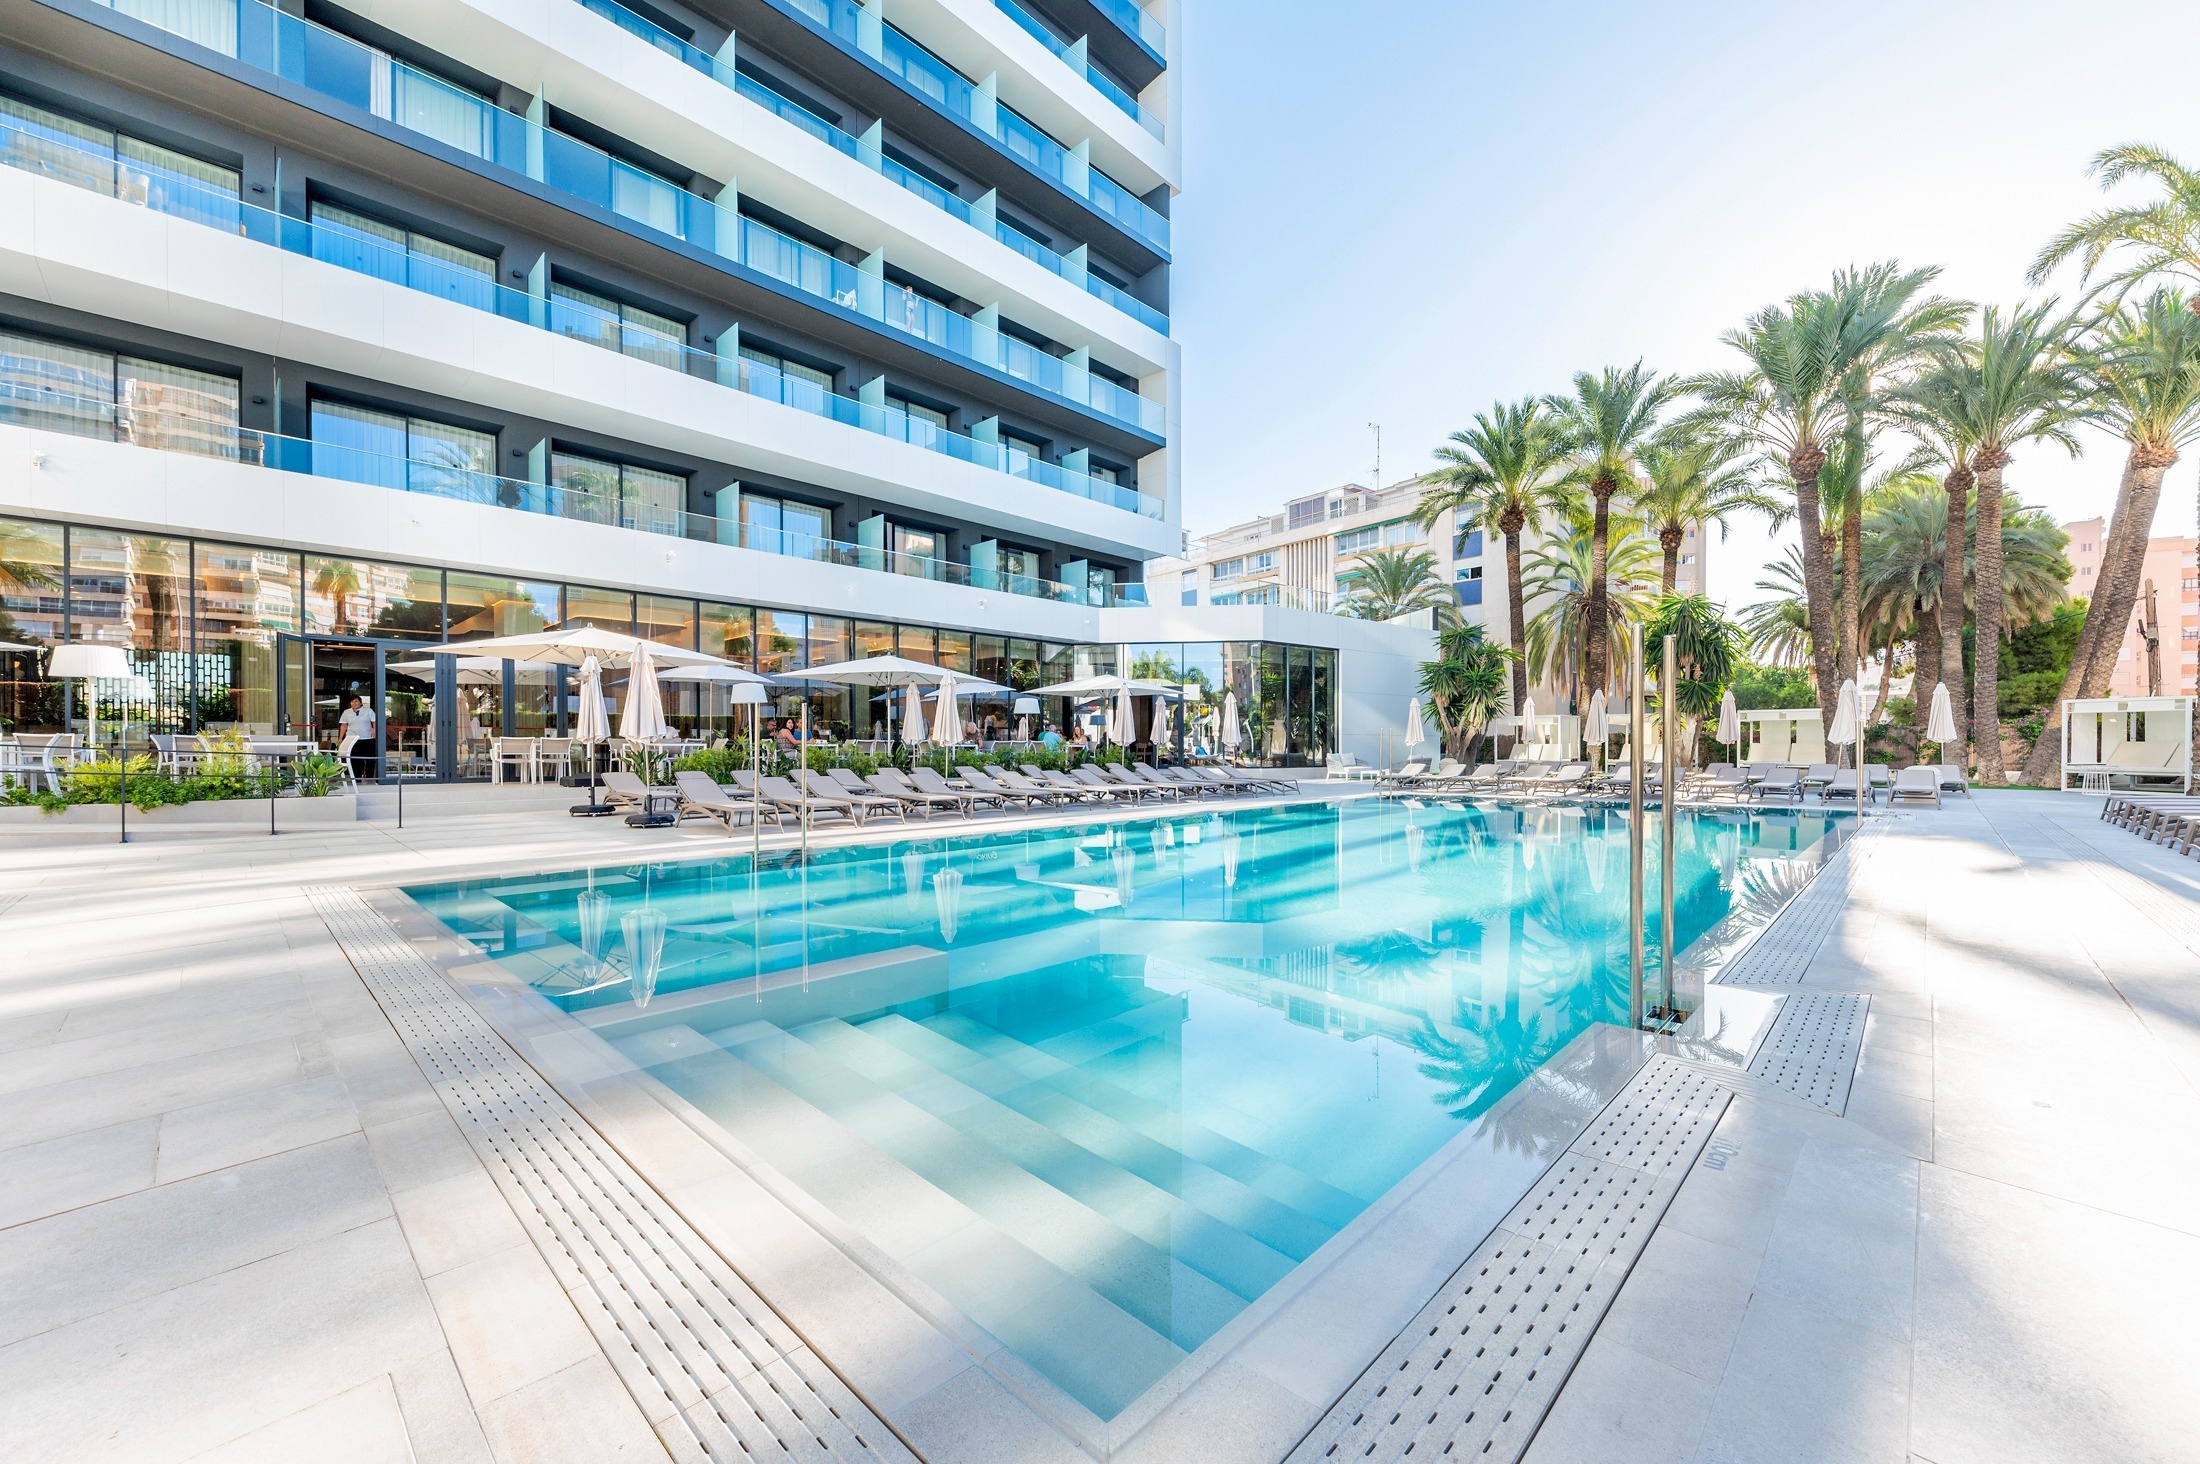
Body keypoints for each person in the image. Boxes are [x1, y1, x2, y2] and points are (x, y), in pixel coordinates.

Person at [336, 695, 376, 780]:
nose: (354, 703)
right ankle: (356, 777)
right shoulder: (346, 712)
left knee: (370, 759)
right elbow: (343, 725)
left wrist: (374, 730)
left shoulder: (368, 711)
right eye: (352, 701)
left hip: (367, 738)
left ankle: (369, 777)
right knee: (355, 759)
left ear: (360, 703)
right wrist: (340, 738)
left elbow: (374, 722)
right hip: (352, 739)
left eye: (356, 701)